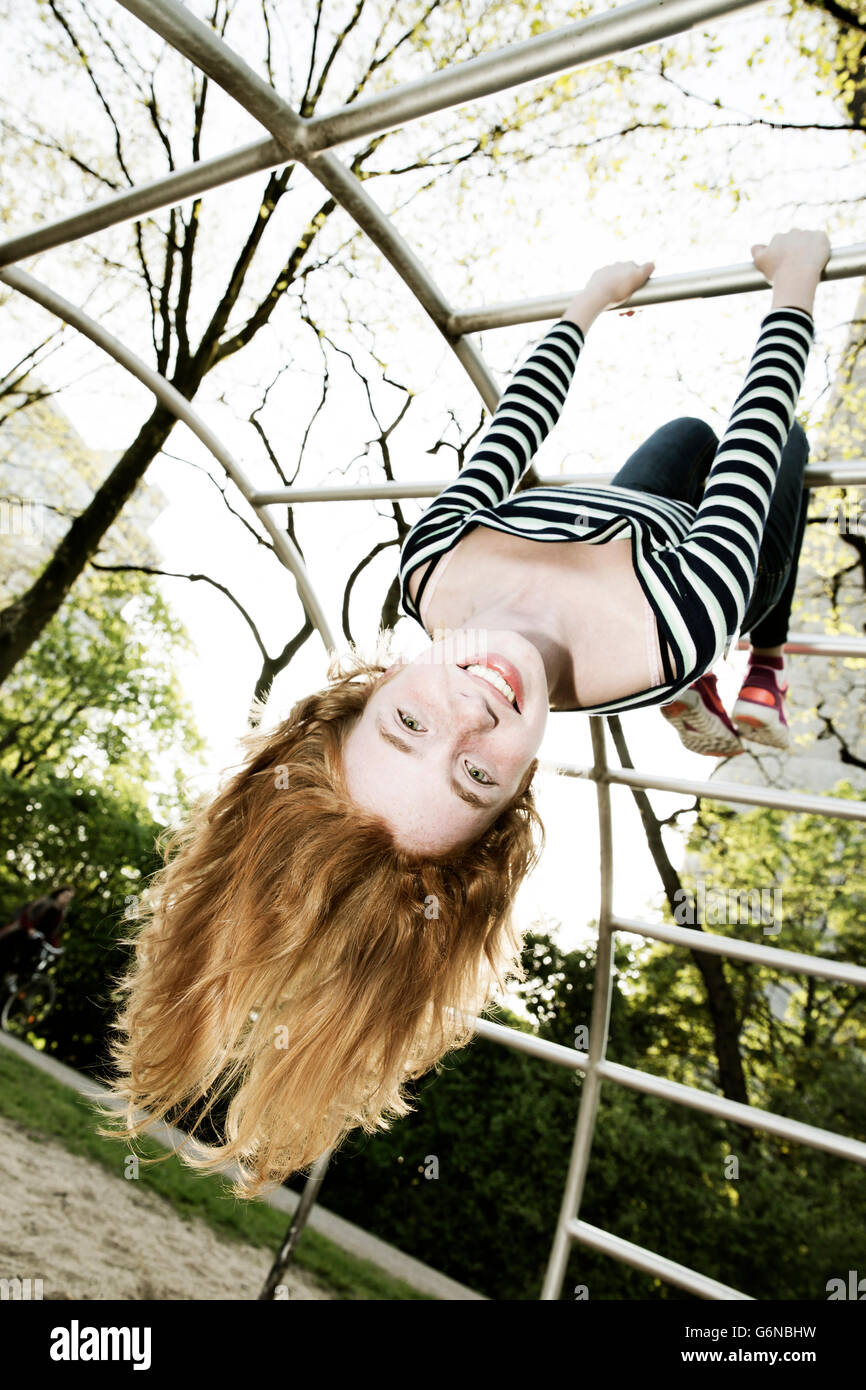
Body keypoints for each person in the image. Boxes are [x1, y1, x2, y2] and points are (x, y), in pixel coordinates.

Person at [97, 229, 829, 1197]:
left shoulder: (431, 568)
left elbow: (509, 431)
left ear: (364, 695)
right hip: (681, 577)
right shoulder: (676, 620)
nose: (475, 713)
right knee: (780, 448)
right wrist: (793, 278)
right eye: (477, 774)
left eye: (408, 726)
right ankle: (758, 667)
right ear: (517, 791)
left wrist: (585, 302)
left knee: (681, 439)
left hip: (619, 514)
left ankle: (694, 681)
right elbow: (760, 411)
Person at [0, 885, 74, 975]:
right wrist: (30, 929)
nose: (66, 899)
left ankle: (16, 979)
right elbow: (26, 915)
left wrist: (56, 946)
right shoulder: (45, 901)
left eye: (69, 898)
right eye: (65, 896)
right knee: (6, 953)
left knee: (31, 961)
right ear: (59, 894)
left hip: (37, 941)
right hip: (21, 931)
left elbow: (54, 933)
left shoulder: (61, 913)